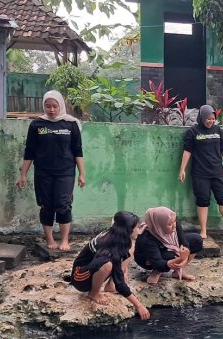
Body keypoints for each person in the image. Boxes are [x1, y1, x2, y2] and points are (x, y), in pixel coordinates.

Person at [17, 90, 86, 251]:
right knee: (46, 205)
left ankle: (64, 240)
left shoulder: (70, 124)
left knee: (63, 205)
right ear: (44, 106)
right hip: (43, 172)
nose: (52, 110)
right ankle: (50, 240)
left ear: (60, 105)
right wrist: (23, 175)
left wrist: (82, 173)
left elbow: (78, 150)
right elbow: (30, 151)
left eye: (55, 106)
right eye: (48, 106)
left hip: (66, 172)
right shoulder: (37, 124)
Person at [70, 211, 150, 319]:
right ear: (127, 230)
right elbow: (120, 284)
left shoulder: (116, 236)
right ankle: (94, 293)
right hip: (80, 278)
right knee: (106, 265)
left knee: (129, 249)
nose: (138, 230)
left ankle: (110, 286)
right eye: (136, 227)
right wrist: (139, 305)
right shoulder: (108, 246)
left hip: (92, 271)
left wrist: (124, 271)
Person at [178, 105, 223, 240]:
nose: (210, 121)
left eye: (212, 119)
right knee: (203, 201)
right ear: (202, 117)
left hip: (217, 172)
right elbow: (187, 151)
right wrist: (182, 169)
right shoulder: (193, 132)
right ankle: (203, 230)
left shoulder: (218, 130)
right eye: (208, 118)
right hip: (200, 173)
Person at [134, 206, 203, 284]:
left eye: (174, 221)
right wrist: (181, 258)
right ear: (159, 225)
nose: (174, 226)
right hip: (147, 259)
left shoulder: (174, 224)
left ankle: (180, 271)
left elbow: (184, 243)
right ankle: (156, 272)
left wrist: (185, 257)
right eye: (170, 224)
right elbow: (158, 263)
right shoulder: (147, 237)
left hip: (166, 249)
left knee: (197, 239)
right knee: (169, 256)